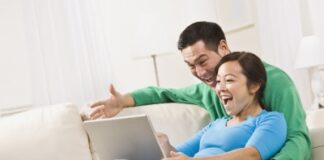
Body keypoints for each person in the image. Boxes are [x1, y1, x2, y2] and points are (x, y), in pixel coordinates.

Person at [90, 21, 311, 160]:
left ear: (223, 47)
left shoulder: (275, 89)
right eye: (190, 66)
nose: (199, 72)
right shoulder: (211, 101)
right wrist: (124, 101)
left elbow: (296, 138)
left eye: (202, 61)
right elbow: (165, 93)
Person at [158, 51, 287, 160]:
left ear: (254, 85)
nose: (221, 88)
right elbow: (176, 155)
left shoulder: (271, 120)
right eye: (219, 81)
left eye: (229, 80)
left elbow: (251, 155)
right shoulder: (217, 124)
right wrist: (164, 143)